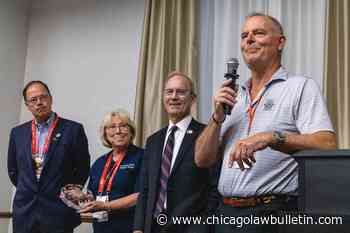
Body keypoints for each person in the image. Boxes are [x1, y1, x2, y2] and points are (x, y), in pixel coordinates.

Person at [195, 13, 337, 233]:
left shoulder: (300, 87)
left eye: (258, 33)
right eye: (244, 36)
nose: (248, 39)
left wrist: (270, 137)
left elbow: (326, 144)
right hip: (225, 214)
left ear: (280, 42)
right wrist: (216, 119)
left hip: (272, 214)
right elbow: (202, 160)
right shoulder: (232, 96)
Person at [133, 72, 216, 233]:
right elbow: (144, 190)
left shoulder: (206, 135)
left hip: (190, 227)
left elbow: (214, 187)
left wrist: (204, 226)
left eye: (181, 92)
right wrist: (138, 228)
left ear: (193, 99)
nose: (174, 97)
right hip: (154, 226)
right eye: (169, 91)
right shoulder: (153, 141)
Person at [7, 80, 91, 233]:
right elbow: (13, 171)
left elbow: (82, 168)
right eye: (33, 100)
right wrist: (30, 188)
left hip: (58, 211)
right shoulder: (17, 133)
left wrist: (69, 192)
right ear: (27, 105)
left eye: (43, 97)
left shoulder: (73, 130)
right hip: (25, 211)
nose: (39, 102)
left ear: (50, 99)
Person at [79, 109, 144, 233]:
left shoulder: (143, 157)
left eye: (123, 126)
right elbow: (92, 195)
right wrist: (80, 197)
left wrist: (105, 206)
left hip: (130, 227)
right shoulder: (99, 163)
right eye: (112, 127)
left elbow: (141, 196)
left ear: (131, 131)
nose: (118, 131)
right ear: (105, 133)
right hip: (101, 228)